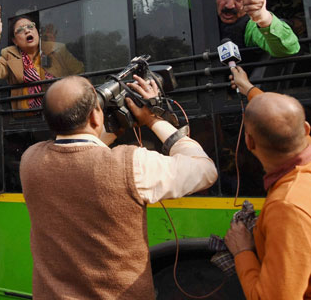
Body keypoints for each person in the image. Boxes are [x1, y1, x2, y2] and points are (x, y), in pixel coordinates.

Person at [19, 75, 218, 299]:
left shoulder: (31, 160)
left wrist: (117, 125)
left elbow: (78, 152)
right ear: (96, 115)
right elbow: (205, 170)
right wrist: (153, 120)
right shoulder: (131, 165)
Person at [224, 91, 311, 299]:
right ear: (307, 129)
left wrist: (242, 251)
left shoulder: (287, 207)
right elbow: (283, 119)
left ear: (249, 142)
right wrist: (248, 89)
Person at [0, 6, 83, 109]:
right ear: (15, 41)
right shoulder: (9, 56)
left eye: (30, 26)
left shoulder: (58, 50)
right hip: (27, 121)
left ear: (37, 31)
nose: (27, 31)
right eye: (20, 30)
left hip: (58, 113)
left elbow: (80, 73)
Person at [204, 0, 299, 57]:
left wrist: (264, 19)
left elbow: (288, 49)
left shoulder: (252, 26)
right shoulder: (202, 17)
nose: (230, 5)